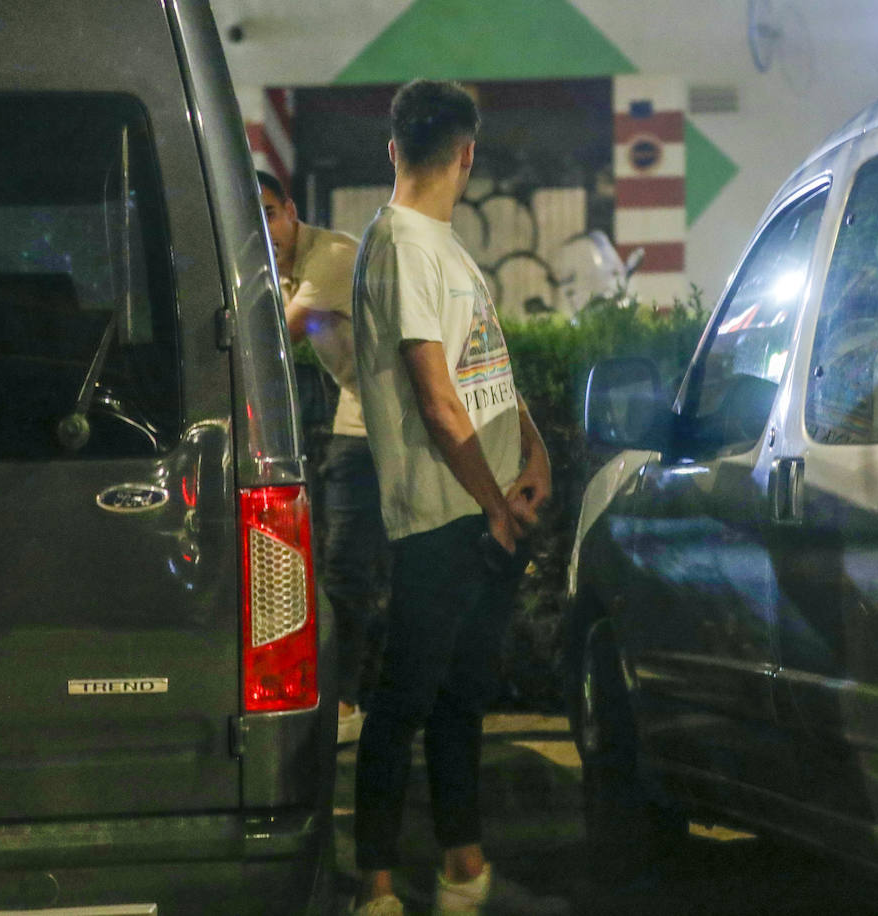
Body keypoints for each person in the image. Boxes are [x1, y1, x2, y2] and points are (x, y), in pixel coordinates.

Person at [349, 79, 557, 916]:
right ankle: (375, 885)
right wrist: (496, 502)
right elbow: (435, 400)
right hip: (442, 516)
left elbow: (485, 373)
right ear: (467, 154)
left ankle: (461, 864)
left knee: (462, 699)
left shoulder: (446, 246)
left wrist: (533, 452)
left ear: (395, 148)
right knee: (405, 702)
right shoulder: (401, 243)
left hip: (485, 510)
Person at [258, 169, 384, 745]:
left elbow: (276, 341)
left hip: (400, 426)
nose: (265, 227)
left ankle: (348, 705)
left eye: (270, 213)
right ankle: (345, 703)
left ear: (290, 209)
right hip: (359, 417)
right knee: (344, 571)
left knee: (357, 571)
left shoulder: (330, 256)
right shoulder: (280, 269)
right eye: (252, 218)